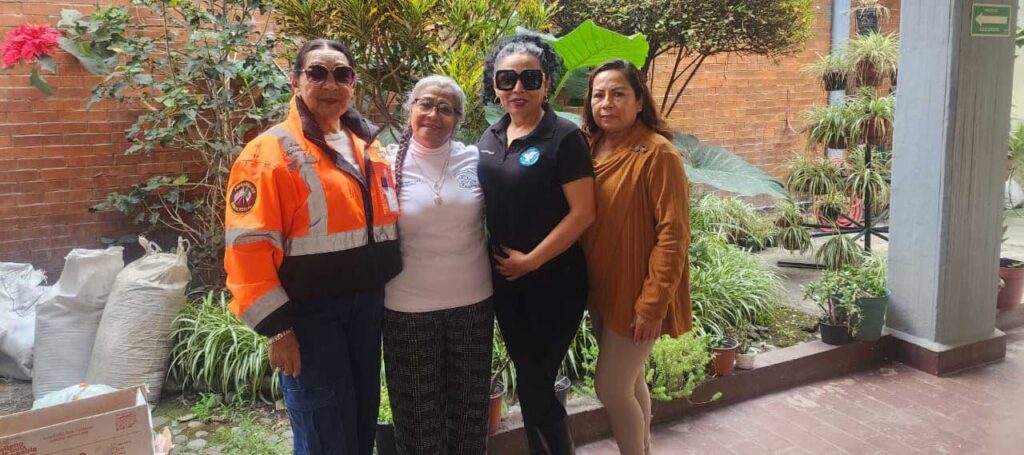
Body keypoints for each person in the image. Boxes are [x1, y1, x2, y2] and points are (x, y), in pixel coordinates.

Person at [223, 39, 401, 455]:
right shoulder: (269, 153)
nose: (330, 83)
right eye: (317, 73)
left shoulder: (367, 147)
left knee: (359, 422)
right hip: (309, 319)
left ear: (353, 83)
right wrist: (278, 329)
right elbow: (247, 249)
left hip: (366, 307)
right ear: (295, 80)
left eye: (342, 74)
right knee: (323, 433)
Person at [476, 34, 596, 455]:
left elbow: (583, 213)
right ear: (495, 85)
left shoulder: (563, 137)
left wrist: (531, 261)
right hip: (508, 286)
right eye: (507, 79)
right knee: (533, 382)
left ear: (547, 83)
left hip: (554, 281)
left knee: (535, 383)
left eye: (530, 78)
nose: (518, 89)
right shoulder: (489, 138)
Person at [580, 59, 693, 455]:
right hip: (602, 288)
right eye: (598, 95)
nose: (606, 103)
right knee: (632, 381)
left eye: (618, 94)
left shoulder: (658, 155)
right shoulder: (590, 146)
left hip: (637, 293)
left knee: (610, 388)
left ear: (640, 101)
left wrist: (652, 303)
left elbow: (674, 235)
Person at [382, 75, 493, 454]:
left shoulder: (475, 158)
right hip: (408, 309)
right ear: (410, 109)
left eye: (446, 108)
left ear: (458, 119)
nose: (434, 114)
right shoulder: (381, 163)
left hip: (473, 304)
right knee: (418, 422)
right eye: (425, 104)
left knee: (469, 415)